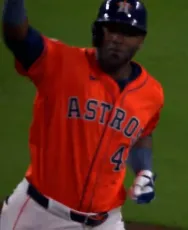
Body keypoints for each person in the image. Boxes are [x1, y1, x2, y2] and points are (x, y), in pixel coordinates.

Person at [0, 0, 164, 229]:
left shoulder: (151, 93)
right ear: (97, 31)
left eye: (128, 32)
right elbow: (17, 35)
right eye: (112, 29)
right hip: (39, 215)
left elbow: (143, 132)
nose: (118, 38)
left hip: (106, 220)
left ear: (141, 41)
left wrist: (144, 170)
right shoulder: (59, 62)